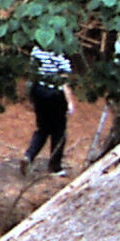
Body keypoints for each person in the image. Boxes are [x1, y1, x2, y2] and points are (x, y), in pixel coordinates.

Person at [20, 47, 74, 176]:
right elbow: (64, 81)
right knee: (59, 131)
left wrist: (30, 96)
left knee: (43, 129)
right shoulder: (59, 52)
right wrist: (70, 102)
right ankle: (55, 166)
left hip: (39, 91)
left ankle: (29, 155)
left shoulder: (36, 51)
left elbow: (32, 74)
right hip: (55, 93)